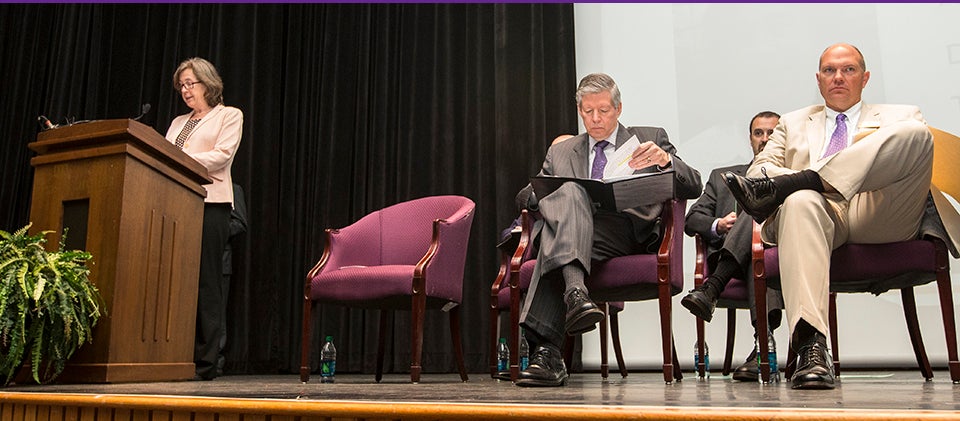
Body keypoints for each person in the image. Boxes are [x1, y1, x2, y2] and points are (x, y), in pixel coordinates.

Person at [723, 43, 959, 389]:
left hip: (881, 211)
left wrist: (796, 179)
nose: (838, 78)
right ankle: (812, 348)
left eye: (848, 70)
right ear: (818, 80)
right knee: (801, 200)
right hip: (818, 215)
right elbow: (759, 170)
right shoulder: (791, 122)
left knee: (916, 135)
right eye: (830, 71)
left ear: (865, 79)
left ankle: (805, 179)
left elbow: (912, 151)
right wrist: (803, 190)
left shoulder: (901, 115)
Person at [513, 73, 702, 387]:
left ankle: (545, 351)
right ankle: (574, 297)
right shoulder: (562, 151)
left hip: (625, 233)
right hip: (575, 230)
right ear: (579, 111)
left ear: (619, 108)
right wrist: (546, 194)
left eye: (603, 110)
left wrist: (666, 160)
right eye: (588, 111)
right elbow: (525, 196)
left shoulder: (647, 138)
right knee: (570, 198)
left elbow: (693, 183)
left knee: (553, 238)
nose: (596, 118)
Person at [681, 111, 785, 382]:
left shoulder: (793, 177)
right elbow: (692, 219)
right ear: (750, 139)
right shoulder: (722, 177)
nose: (764, 139)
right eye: (758, 133)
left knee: (757, 232)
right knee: (754, 227)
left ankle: (712, 289)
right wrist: (719, 224)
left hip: (779, 259)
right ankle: (765, 346)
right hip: (732, 258)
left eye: (772, 133)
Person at [164, 57, 243, 381]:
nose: (185, 91)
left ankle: (207, 362)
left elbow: (222, 155)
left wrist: (179, 158)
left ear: (208, 83)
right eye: (181, 85)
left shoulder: (229, 115)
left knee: (207, 284)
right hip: (174, 204)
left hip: (211, 205)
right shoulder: (177, 122)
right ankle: (173, 356)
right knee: (174, 280)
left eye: (190, 84)